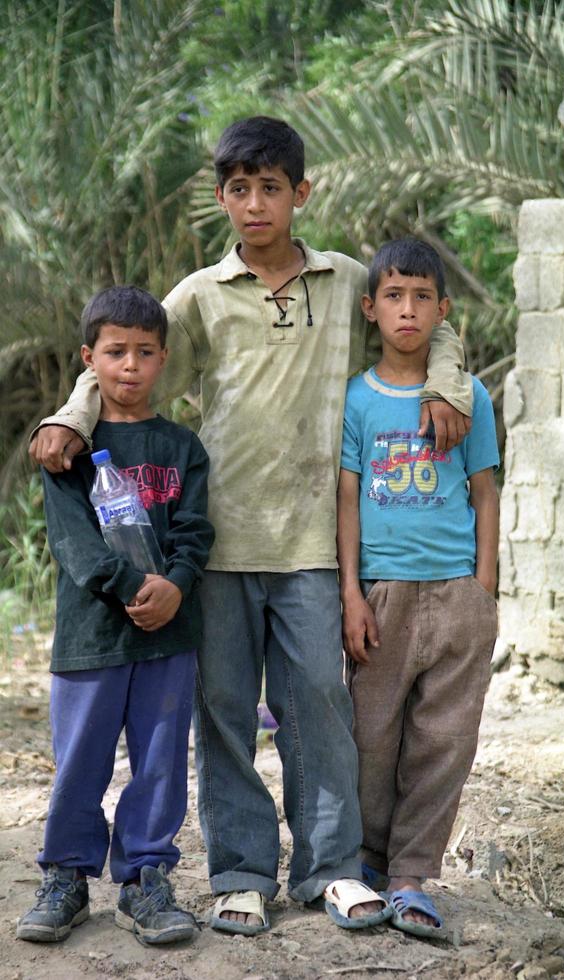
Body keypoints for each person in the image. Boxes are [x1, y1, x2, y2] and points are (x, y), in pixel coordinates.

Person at [29, 117, 474, 934]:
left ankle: (331, 869)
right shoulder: (201, 295)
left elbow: (430, 325)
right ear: (222, 198)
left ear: (301, 193)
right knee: (225, 714)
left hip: (313, 543)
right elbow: (127, 357)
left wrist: (444, 385)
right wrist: (67, 416)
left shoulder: (345, 282)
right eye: (240, 189)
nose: (256, 203)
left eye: (273, 187)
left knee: (318, 707)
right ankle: (240, 872)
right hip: (217, 545)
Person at [17, 286, 214, 946]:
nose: (130, 365)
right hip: (91, 636)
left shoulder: (182, 446)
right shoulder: (65, 448)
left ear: (164, 360)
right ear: (89, 358)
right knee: (80, 760)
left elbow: (195, 530)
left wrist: (177, 585)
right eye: (115, 351)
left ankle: (146, 880)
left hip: (169, 636)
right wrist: (137, 586)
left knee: (160, 762)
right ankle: (66, 878)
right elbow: (74, 546)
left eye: (145, 352)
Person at [337, 237, 499, 938]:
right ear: (371, 309)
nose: (408, 310)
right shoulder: (357, 399)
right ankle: (369, 861)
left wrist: (483, 590)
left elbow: (486, 493)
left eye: (422, 297)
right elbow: (346, 499)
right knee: (371, 734)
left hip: (457, 592)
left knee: (446, 739)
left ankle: (411, 874)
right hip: (384, 592)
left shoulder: (472, 398)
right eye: (394, 297)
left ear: (444, 310)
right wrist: (351, 592)